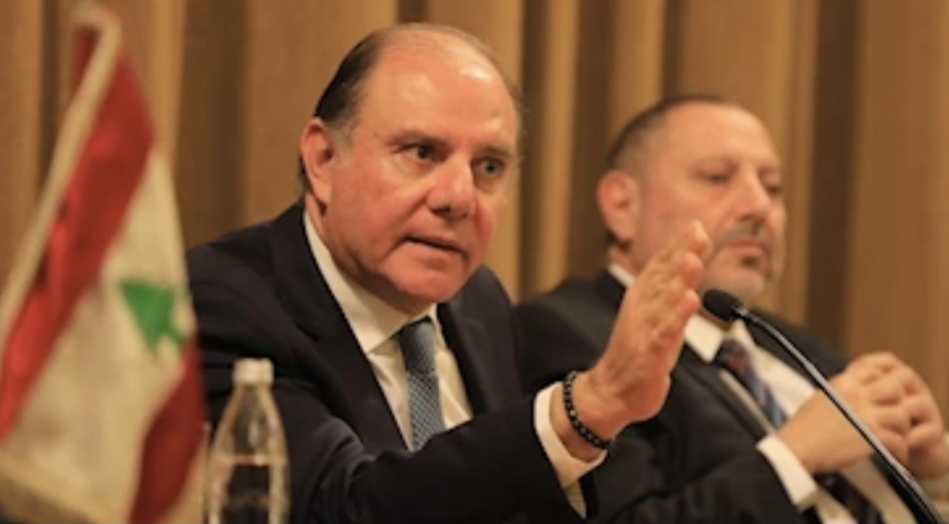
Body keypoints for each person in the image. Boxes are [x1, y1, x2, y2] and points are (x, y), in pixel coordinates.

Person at [188, 25, 711, 524]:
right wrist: (585, 408)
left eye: (489, 167)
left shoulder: (478, 301)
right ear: (324, 159)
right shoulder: (224, 304)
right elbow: (340, 509)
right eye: (422, 153)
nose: (458, 198)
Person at [516, 94, 949, 524]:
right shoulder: (567, 335)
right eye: (717, 178)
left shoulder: (792, 346)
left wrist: (933, 476)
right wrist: (793, 458)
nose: (759, 206)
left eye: (773, 187)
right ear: (622, 205)